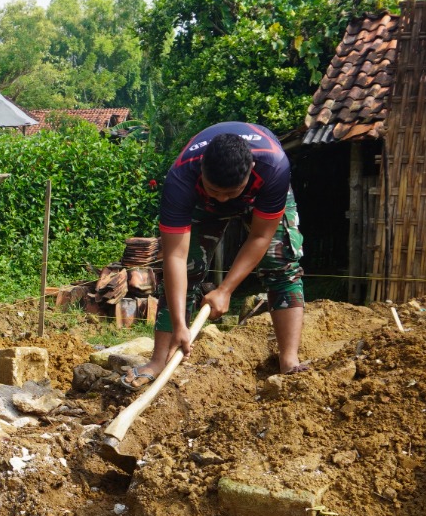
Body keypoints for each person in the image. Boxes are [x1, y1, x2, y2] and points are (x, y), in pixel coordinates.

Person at [127, 122, 308, 387]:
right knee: (189, 268)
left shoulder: (274, 167)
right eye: (215, 190)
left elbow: (260, 237)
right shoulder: (181, 178)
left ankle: (289, 360)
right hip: (201, 204)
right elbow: (175, 256)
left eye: (231, 192)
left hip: (258, 198)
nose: (223, 199)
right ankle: (158, 360)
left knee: (280, 263)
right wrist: (180, 324)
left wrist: (225, 290)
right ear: (202, 169)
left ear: (251, 170)